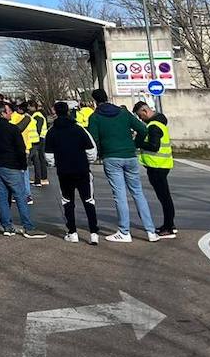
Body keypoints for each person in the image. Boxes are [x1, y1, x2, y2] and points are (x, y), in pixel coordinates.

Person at [84, 88, 158, 243]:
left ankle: (124, 231)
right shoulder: (124, 113)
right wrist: (134, 144)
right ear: (107, 97)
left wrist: (97, 155)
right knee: (138, 192)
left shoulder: (95, 117)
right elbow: (143, 129)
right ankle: (151, 231)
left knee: (120, 195)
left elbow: (93, 140)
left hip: (111, 157)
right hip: (130, 155)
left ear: (94, 101)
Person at [0, 101, 44, 238]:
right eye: (9, 111)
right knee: (20, 196)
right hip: (11, 166)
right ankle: (28, 227)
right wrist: (22, 165)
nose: (11, 113)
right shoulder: (12, 129)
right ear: (3, 113)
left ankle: (7, 227)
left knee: (2, 197)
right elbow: (20, 149)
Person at [44, 101, 99, 244]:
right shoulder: (78, 128)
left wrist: (57, 164)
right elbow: (91, 150)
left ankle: (72, 232)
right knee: (88, 200)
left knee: (67, 201)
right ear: (68, 111)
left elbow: (49, 156)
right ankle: (94, 233)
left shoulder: (51, 132)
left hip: (64, 172)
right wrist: (87, 162)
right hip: (82, 170)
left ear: (55, 112)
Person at [134, 101, 176, 238]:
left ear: (145, 111)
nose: (141, 119)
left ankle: (169, 227)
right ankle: (169, 225)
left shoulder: (154, 126)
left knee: (164, 198)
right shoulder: (159, 123)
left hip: (157, 166)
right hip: (161, 165)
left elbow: (154, 146)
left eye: (140, 116)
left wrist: (139, 143)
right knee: (165, 197)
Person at [28, 100, 49, 187]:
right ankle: (40, 178)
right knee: (39, 158)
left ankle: (42, 178)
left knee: (40, 159)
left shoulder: (37, 116)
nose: (28, 108)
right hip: (41, 138)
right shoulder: (37, 115)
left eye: (29, 106)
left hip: (40, 139)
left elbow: (38, 129)